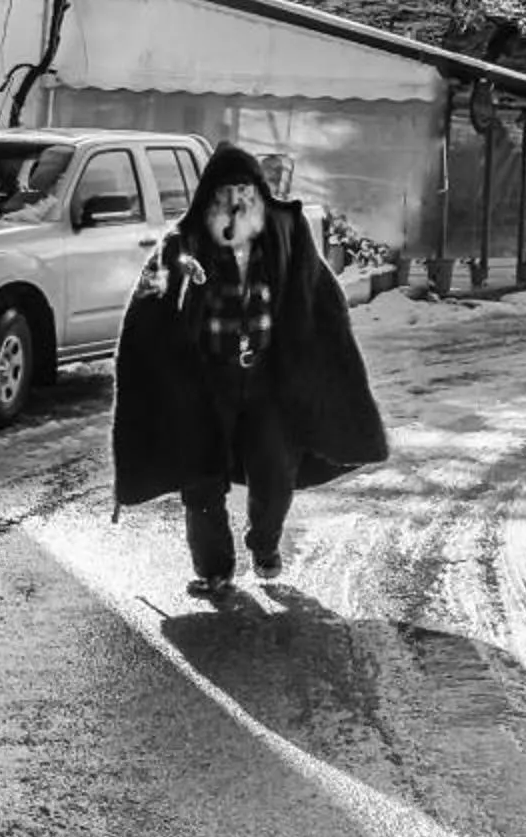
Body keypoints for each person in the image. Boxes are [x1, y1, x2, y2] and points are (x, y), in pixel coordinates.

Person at [109, 144, 391, 600]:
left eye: (245, 189)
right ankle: (214, 569)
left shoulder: (285, 231)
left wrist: (319, 354)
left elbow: (320, 294)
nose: (237, 200)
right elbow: (147, 307)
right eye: (226, 191)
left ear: (259, 193)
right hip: (206, 382)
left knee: (275, 470)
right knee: (201, 479)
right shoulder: (183, 242)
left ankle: (264, 545)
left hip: (267, 379)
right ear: (210, 197)